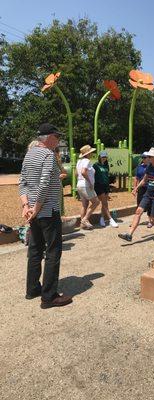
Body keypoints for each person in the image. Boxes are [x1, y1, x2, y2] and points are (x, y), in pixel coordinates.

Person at [19, 123, 73, 309]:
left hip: (33, 212)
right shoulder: (49, 155)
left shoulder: (29, 154)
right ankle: (49, 297)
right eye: (57, 137)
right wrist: (37, 207)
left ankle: (32, 289)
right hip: (47, 210)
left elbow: (23, 182)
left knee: (35, 250)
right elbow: (43, 185)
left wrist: (26, 206)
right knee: (53, 252)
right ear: (49, 137)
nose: (58, 140)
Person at [118, 147, 154, 242]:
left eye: (150, 156)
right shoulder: (149, 167)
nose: (148, 158)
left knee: (153, 217)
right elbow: (144, 180)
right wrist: (136, 188)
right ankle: (129, 234)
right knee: (138, 211)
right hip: (148, 194)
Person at [76, 145, 100, 230]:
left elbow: (76, 174)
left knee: (84, 205)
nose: (92, 153)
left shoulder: (79, 161)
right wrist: (90, 182)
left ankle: (82, 224)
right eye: (91, 152)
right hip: (85, 184)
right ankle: (85, 219)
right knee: (96, 202)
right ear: (88, 153)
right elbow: (83, 172)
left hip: (79, 183)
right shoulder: (86, 161)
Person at [93, 150, 118, 228]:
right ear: (99, 157)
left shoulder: (106, 165)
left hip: (106, 186)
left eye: (105, 157)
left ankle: (102, 218)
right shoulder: (95, 165)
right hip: (99, 186)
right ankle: (110, 219)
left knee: (104, 203)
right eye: (102, 156)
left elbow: (107, 175)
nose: (104, 158)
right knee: (105, 203)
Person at [133, 152, 152, 228]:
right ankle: (136, 221)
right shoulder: (139, 167)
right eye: (142, 157)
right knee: (139, 204)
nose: (143, 159)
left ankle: (150, 221)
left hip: (149, 188)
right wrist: (135, 188)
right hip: (141, 188)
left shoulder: (151, 167)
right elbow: (136, 178)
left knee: (149, 205)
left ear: (148, 158)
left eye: (145, 157)